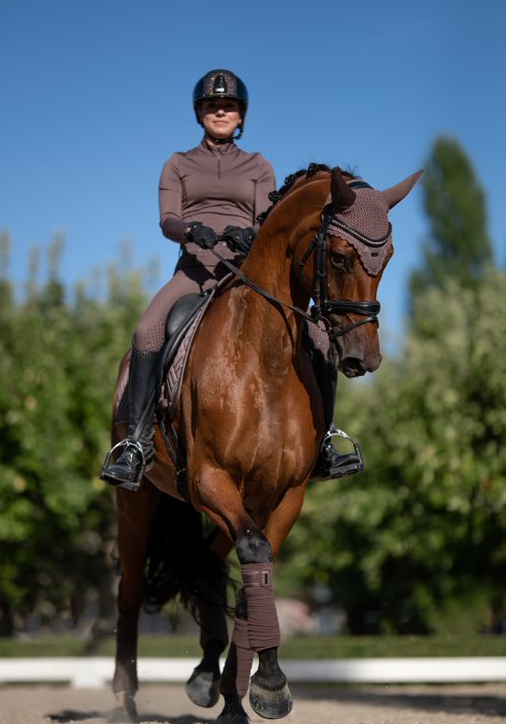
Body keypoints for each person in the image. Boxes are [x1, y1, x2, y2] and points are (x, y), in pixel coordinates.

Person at [101, 69, 362, 490]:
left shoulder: (259, 165)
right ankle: (136, 443)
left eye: (228, 106)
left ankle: (328, 438)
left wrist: (251, 233)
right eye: (211, 105)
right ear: (200, 113)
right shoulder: (178, 164)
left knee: (315, 334)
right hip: (195, 270)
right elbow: (167, 219)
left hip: (244, 269)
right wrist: (192, 231)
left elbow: (268, 220)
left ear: (241, 116)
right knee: (147, 331)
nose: (220, 111)